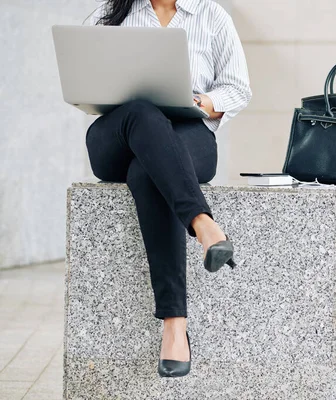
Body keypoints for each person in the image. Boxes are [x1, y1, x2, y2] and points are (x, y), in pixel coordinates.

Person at [84, 0, 251, 378]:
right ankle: (204, 224)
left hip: (188, 135)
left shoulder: (212, 15)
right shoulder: (114, 13)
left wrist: (204, 101)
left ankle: (175, 325)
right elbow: (88, 81)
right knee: (143, 112)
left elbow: (238, 88)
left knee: (147, 173)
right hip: (120, 132)